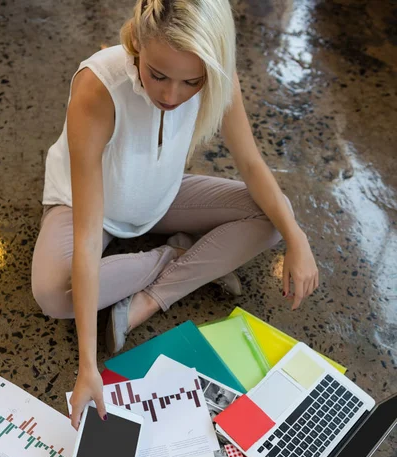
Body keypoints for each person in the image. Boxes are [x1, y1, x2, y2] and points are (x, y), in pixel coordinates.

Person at [31, 0, 319, 430]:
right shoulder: (99, 85)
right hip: (86, 206)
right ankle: (176, 256)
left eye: (191, 82)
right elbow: (90, 234)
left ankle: (153, 295)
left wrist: (300, 240)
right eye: (158, 75)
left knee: (277, 219)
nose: (170, 95)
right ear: (136, 45)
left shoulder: (218, 74)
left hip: (157, 195)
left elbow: (253, 165)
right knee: (53, 296)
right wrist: (88, 365)